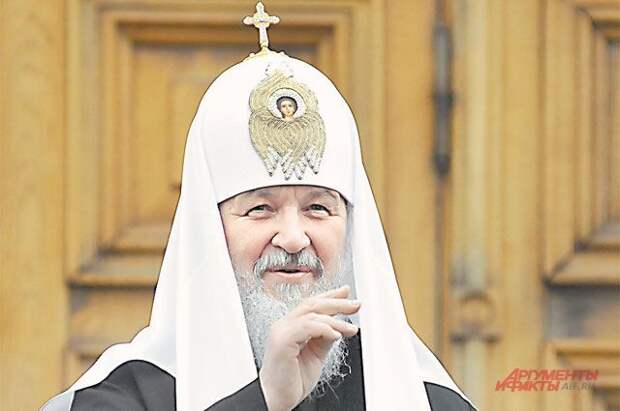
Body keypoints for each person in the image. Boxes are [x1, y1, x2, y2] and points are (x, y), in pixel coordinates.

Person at [42, 3, 476, 410]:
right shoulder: (121, 398)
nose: (293, 238)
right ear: (209, 230)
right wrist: (263, 398)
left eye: (318, 208)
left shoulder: (420, 397)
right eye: (260, 210)